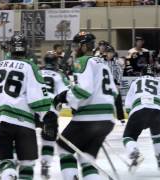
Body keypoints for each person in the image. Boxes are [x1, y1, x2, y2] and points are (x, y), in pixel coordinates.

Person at [0, 33, 53, 180]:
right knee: (27, 163)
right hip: (23, 122)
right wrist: (47, 117)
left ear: (10, 48)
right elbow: (38, 100)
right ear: (26, 49)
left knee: (5, 161)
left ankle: (8, 174)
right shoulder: (30, 67)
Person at [53, 32, 122, 179]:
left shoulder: (82, 61)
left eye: (76, 46)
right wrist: (77, 104)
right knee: (86, 158)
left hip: (89, 119)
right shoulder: (102, 63)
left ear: (84, 46)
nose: (74, 49)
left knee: (63, 149)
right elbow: (115, 94)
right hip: (107, 120)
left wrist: (63, 97)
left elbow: (84, 90)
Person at [123, 65, 160, 176]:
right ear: (154, 74)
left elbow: (127, 106)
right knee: (158, 139)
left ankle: (135, 153)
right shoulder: (159, 82)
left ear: (141, 73)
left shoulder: (135, 82)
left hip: (139, 110)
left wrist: (134, 118)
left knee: (128, 137)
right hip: (158, 113)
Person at [39, 52, 69, 179]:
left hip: (33, 108)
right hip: (50, 111)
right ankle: (45, 164)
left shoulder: (37, 72)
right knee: (48, 139)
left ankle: (15, 160)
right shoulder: (60, 75)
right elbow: (66, 92)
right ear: (56, 62)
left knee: (22, 135)